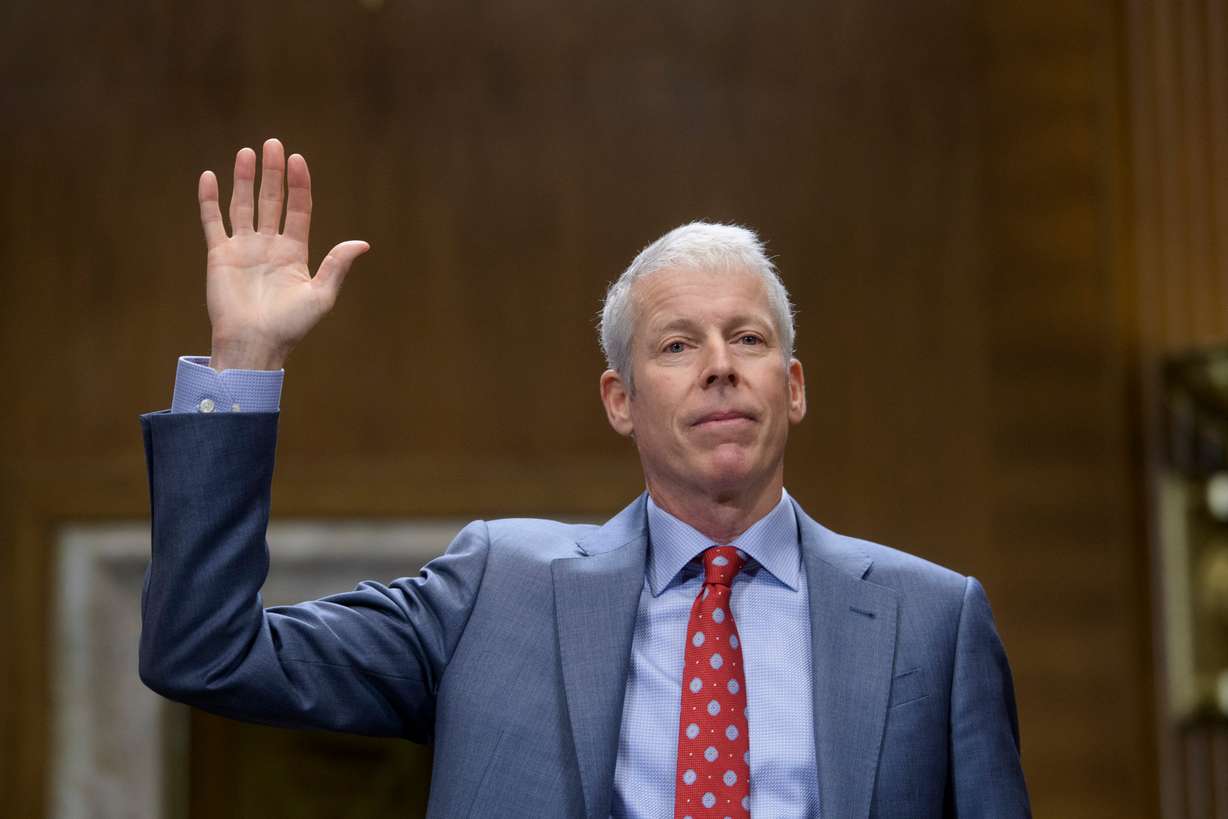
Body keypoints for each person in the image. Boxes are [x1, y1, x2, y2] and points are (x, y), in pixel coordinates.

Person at [139, 138, 1031, 818]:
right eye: (677, 345)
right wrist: (245, 359)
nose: (720, 365)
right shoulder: (496, 589)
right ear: (621, 400)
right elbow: (208, 651)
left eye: (749, 339)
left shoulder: (934, 622)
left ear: (791, 387)